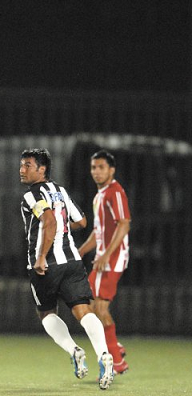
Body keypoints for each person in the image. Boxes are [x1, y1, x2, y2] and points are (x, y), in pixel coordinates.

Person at [19, 148, 114, 390]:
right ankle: (104, 355)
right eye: (22, 165)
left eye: (28, 165)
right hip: (72, 261)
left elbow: (48, 220)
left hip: (45, 266)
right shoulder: (60, 191)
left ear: (42, 169)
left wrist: (41, 257)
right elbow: (82, 221)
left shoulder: (32, 195)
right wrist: (63, 228)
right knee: (83, 310)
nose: (22, 169)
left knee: (47, 313)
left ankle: (74, 350)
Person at [78, 149, 130, 374]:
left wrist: (107, 254)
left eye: (101, 167)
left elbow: (124, 223)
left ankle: (116, 360)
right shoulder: (99, 195)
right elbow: (98, 232)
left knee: (99, 308)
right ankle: (115, 346)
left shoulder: (115, 192)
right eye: (93, 167)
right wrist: (80, 252)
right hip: (103, 258)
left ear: (112, 170)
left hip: (111, 260)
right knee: (86, 306)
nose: (96, 171)